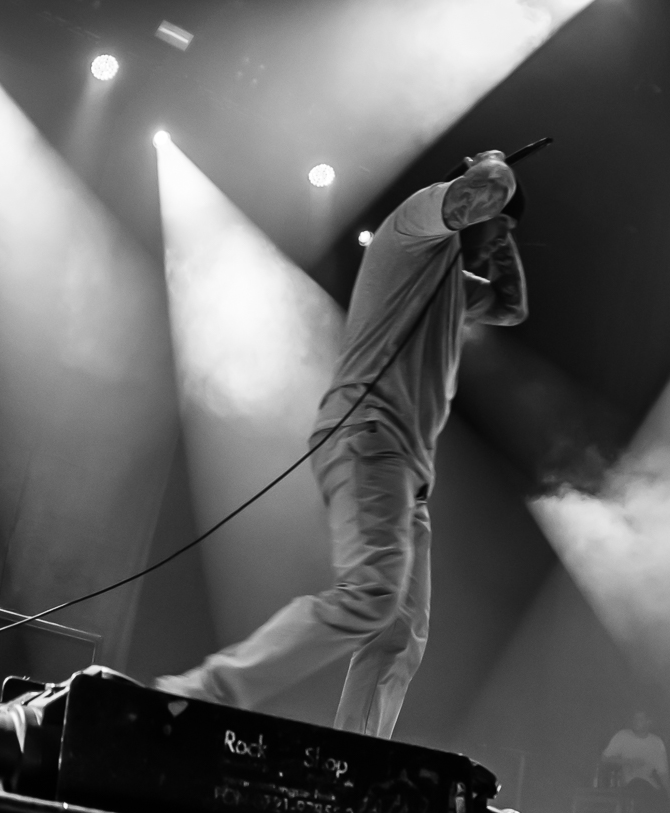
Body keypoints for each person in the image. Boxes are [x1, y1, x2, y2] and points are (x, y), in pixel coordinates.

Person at [152, 150, 528, 738]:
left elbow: (510, 306)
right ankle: (203, 691)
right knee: (371, 595)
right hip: (370, 433)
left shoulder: (451, 284)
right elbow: (487, 188)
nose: (490, 236)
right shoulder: (411, 227)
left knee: (401, 631)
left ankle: (360, 752)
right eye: (488, 225)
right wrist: (493, 163)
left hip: (406, 465)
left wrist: (503, 238)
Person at [600, 710, 670, 813]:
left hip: (650, 787)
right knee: (639, 789)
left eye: (640, 719)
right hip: (628, 785)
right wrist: (628, 762)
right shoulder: (623, 736)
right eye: (634, 719)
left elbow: (663, 774)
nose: (636, 722)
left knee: (662, 807)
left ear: (648, 722)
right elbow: (604, 758)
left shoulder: (656, 742)